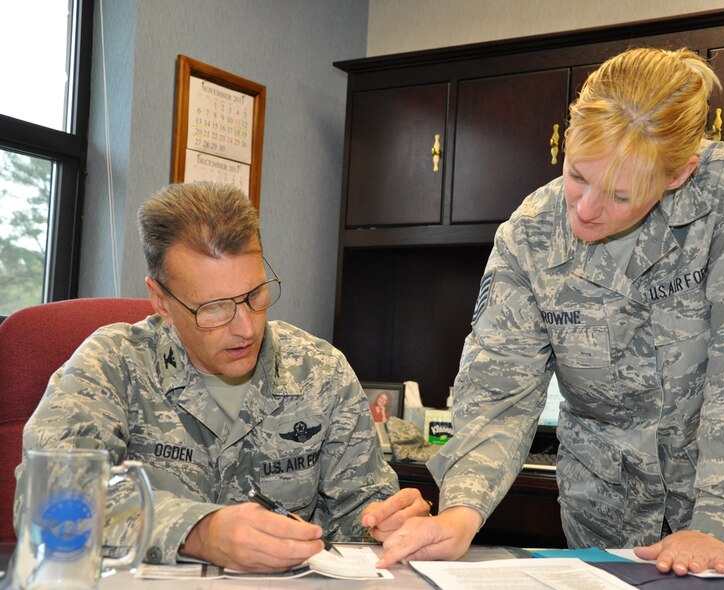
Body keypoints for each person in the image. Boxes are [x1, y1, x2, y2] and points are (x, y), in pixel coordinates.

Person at [374, 47, 724, 575]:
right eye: (577, 175)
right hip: (615, 526)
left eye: (620, 195)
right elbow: (498, 390)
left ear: (678, 176)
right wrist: (461, 510)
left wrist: (719, 521)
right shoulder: (530, 234)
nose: (584, 209)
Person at [14, 183, 429, 572]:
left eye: (254, 296)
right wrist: (197, 531)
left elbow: (361, 508)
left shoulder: (320, 372)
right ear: (160, 299)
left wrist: (388, 523)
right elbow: (46, 501)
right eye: (213, 308)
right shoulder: (112, 365)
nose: (246, 328)